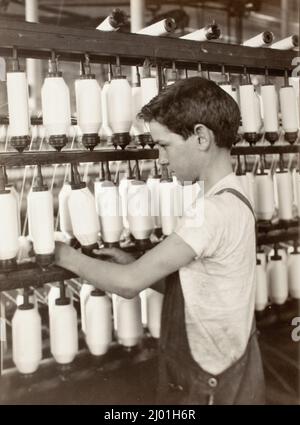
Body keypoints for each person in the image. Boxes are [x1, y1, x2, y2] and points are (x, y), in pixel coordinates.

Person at [55, 76, 265, 405]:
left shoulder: (209, 213)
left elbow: (127, 285)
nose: (161, 159)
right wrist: (136, 263)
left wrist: (60, 255)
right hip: (232, 370)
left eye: (164, 145)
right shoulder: (234, 197)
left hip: (211, 386)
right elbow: (203, 291)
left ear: (201, 137)